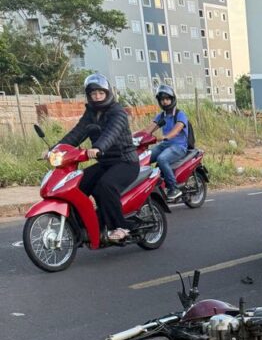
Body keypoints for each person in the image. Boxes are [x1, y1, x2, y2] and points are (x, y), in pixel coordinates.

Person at [55, 74, 139, 242]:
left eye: (100, 93)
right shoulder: (91, 113)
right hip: (105, 163)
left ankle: (120, 226)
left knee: (105, 185)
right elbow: (76, 133)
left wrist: (98, 147)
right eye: (93, 94)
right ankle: (87, 225)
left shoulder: (117, 112)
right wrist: (54, 149)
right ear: (89, 96)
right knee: (77, 185)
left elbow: (111, 133)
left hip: (125, 161)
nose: (97, 97)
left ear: (107, 93)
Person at [142, 84, 190, 200]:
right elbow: (148, 129)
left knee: (162, 159)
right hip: (165, 145)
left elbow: (177, 129)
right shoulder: (161, 116)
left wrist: (165, 137)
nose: (165, 102)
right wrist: (137, 137)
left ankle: (173, 188)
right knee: (145, 157)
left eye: (167, 99)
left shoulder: (180, 114)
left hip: (179, 147)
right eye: (162, 99)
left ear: (172, 99)